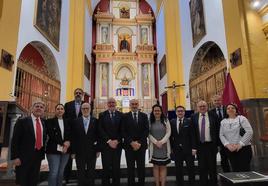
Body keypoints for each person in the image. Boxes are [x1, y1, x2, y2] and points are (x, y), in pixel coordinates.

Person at [11, 100, 46, 186]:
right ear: (32, 108)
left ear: (43, 110)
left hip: (38, 155)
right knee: (23, 180)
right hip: (24, 157)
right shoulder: (22, 121)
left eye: (41, 107)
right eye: (37, 106)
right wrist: (16, 157)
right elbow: (15, 140)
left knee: (34, 180)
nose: (39, 108)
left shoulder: (43, 122)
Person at [191, 100, 218, 186]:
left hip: (211, 145)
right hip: (200, 146)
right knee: (202, 168)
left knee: (212, 167)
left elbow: (217, 131)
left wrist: (218, 145)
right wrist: (194, 147)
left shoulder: (213, 115)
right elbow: (193, 133)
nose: (202, 108)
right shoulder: (193, 117)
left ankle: (214, 184)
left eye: (204, 106)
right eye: (200, 106)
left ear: (207, 107)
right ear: (197, 108)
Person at [122, 99, 149, 186]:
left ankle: (141, 183)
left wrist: (139, 142)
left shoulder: (144, 116)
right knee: (130, 168)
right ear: (130, 105)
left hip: (141, 146)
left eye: (136, 104)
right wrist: (131, 142)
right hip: (129, 146)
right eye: (132, 104)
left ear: (138, 105)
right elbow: (123, 131)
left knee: (141, 168)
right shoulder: (125, 116)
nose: (134, 106)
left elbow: (146, 130)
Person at [71, 102, 99, 186]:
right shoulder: (76, 121)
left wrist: (98, 150)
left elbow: (98, 136)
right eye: (83, 108)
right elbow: (73, 137)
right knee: (80, 172)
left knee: (91, 172)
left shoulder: (96, 121)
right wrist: (73, 152)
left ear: (90, 110)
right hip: (79, 151)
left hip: (92, 151)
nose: (85, 110)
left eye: (87, 108)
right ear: (81, 110)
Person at [220, 103, 253, 172]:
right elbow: (221, 135)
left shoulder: (242, 118)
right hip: (231, 149)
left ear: (236, 110)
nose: (230, 109)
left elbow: (249, 132)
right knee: (235, 171)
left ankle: (246, 183)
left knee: (245, 171)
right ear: (226, 111)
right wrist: (227, 145)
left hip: (244, 149)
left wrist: (240, 144)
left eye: (232, 108)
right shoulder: (223, 122)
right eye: (228, 108)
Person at [98, 98, 123, 186]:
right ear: (107, 104)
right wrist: (109, 141)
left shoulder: (121, 115)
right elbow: (100, 129)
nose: (111, 104)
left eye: (113, 102)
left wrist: (117, 140)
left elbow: (122, 130)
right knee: (106, 168)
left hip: (117, 145)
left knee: (116, 168)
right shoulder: (102, 115)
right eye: (110, 103)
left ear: (116, 104)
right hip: (106, 146)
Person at [170, 106, 196, 186]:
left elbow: (193, 135)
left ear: (184, 112)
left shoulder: (189, 121)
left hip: (188, 150)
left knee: (190, 170)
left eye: (182, 111)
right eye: (178, 111)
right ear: (176, 112)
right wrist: (171, 148)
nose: (180, 112)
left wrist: (194, 148)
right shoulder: (172, 122)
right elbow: (170, 136)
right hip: (177, 150)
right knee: (178, 170)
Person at [46, 104, 71, 186]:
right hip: (53, 150)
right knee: (54, 172)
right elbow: (52, 135)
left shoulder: (68, 121)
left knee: (61, 173)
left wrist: (68, 142)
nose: (60, 110)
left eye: (61, 109)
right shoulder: (49, 121)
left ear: (64, 111)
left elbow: (71, 134)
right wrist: (64, 143)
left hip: (66, 151)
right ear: (55, 110)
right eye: (58, 109)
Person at [63, 88, 84, 183]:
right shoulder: (67, 105)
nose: (78, 94)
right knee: (68, 160)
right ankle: (66, 178)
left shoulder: (86, 105)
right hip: (70, 136)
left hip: (81, 136)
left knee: (81, 159)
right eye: (76, 93)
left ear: (82, 94)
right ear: (74, 94)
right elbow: (64, 120)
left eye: (80, 93)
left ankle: (81, 179)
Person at [148, 104, 171, 186]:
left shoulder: (165, 120)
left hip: (164, 146)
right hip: (154, 147)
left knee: (163, 166)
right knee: (156, 166)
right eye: (155, 111)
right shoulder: (150, 121)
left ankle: (163, 184)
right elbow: (148, 134)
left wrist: (161, 141)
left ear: (161, 111)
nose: (157, 112)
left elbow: (169, 132)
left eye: (158, 110)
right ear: (153, 112)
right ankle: (157, 184)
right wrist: (156, 142)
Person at [210, 95, 230, 172]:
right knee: (223, 157)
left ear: (221, 100)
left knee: (231, 157)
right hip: (218, 139)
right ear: (213, 102)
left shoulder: (228, 109)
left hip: (230, 137)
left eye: (218, 100)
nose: (217, 102)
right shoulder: (211, 112)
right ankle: (226, 174)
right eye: (215, 101)